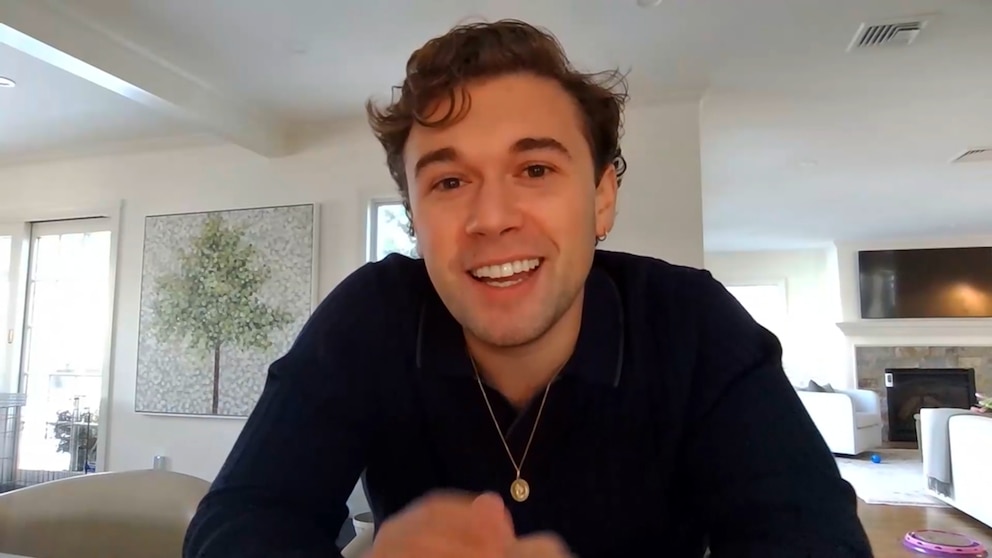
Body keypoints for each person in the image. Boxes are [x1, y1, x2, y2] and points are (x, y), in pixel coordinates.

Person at [183, 19, 873, 558]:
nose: (491, 219)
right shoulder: (370, 318)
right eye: (450, 181)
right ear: (415, 219)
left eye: (536, 170)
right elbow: (239, 522)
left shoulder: (692, 322)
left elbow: (813, 539)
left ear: (601, 199)